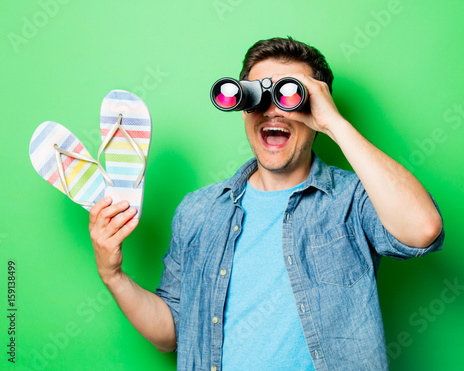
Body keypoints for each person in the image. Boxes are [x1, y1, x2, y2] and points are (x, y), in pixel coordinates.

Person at [89, 37, 444, 370]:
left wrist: (333, 122)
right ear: (243, 107)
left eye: (289, 94)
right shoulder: (199, 211)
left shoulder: (352, 198)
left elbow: (422, 229)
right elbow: (170, 334)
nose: (271, 111)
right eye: (257, 96)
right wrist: (112, 274)